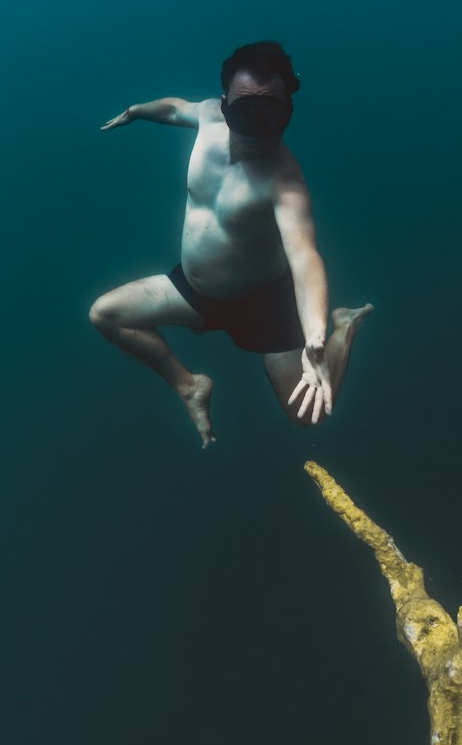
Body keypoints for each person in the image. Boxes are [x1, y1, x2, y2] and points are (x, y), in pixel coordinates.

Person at [90, 40, 372, 448]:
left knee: (307, 417)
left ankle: (344, 327)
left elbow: (305, 255)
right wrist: (138, 111)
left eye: (271, 113)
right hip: (195, 291)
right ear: (223, 105)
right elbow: (173, 108)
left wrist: (316, 333)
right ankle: (189, 386)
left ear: (289, 111)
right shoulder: (207, 118)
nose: (258, 127)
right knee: (106, 315)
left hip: (264, 305)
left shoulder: (284, 182)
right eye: (244, 112)